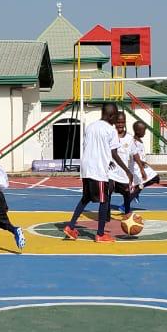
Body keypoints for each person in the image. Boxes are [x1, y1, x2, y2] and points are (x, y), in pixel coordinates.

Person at [63, 102, 130, 243]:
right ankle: (100, 234)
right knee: (104, 200)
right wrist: (126, 170)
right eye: (115, 116)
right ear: (111, 115)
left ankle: (70, 226)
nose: (116, 120)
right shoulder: (110, 131)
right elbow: (114, 153)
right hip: (98, 170)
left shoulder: (90, 127)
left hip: (86, 169)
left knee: (86, 198)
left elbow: (92, 148)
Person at [107, 112, 141, 218]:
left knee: (126, 194)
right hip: (110, 171)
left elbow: (135, 154)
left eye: (122, 122)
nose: (120, 124)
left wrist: (141, 167)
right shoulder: (109, 135)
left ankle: (127, 214)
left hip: (124, 172)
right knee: (108, 190)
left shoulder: (130, 138)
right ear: (114, 123)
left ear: (125, 122)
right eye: (118, 122)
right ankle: (106, 214)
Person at [130, 120, 160, 189]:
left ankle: (137, 189)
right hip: (137, 167)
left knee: (155, 178)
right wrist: (141, 162)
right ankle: (136, 191)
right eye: (143, 131)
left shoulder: (139, 141)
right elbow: (133, 155)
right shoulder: (134, 142)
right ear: (137, 131)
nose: (145, 133)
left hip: (142, 166)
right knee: (155, 178)